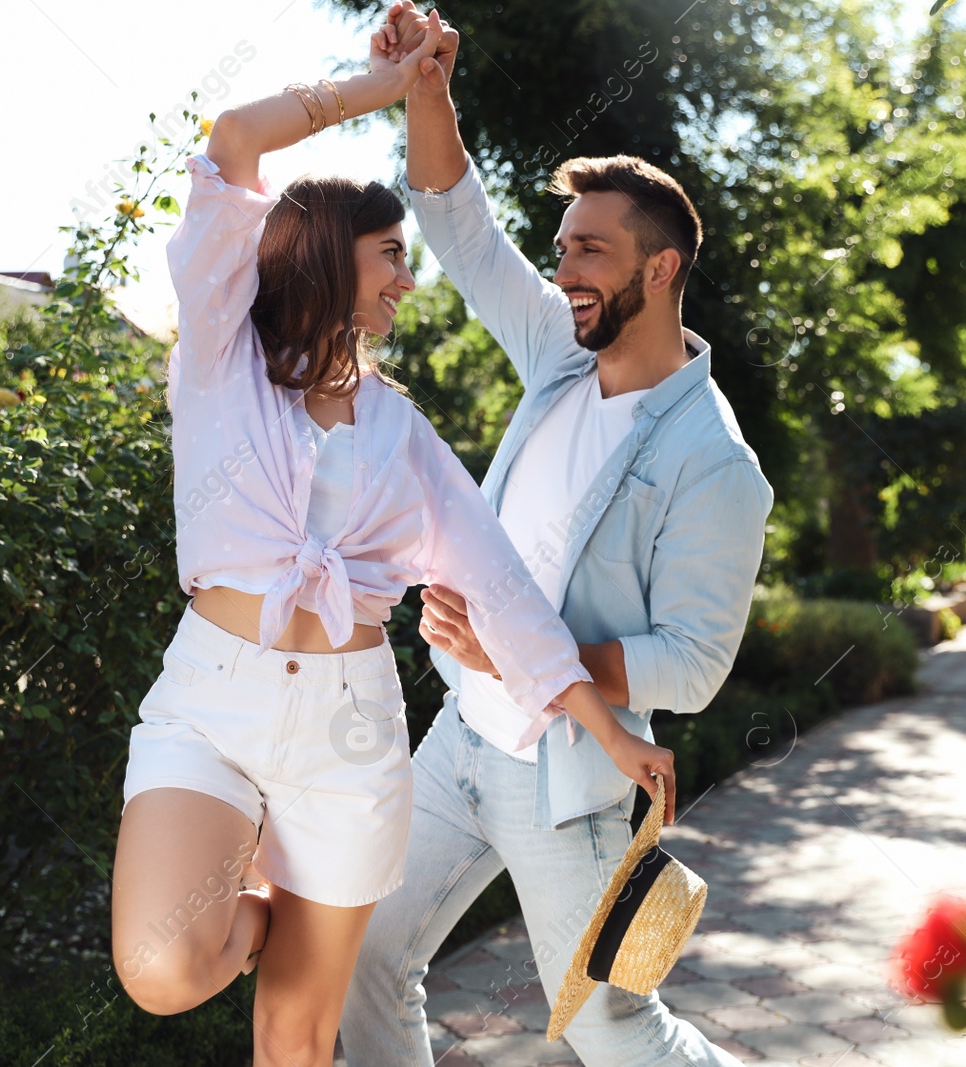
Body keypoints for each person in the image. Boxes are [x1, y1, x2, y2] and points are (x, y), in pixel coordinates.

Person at [108, 13, 675, 1067]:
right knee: (162, 963)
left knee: (295, 1035)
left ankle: (312, 906)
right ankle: (282, 904)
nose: (406, 281)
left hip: (350, 740)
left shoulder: (400, 433)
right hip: (214, 704)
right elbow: (233, 137)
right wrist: (381, 87)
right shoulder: (221, 351)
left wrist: (606, 728)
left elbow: (500, 588)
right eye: (388, 258)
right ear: (330, 258)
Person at [339, 5, 773, 1066]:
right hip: (461, 740)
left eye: (590, 250)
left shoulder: (715, 461)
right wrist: (428, 85)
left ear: (660, 268)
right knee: (361, 951)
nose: (565, 268)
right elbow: (459, 228)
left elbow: (697, 662)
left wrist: (526, 655)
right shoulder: (561, 361)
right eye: (563, 248)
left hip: (564, 779)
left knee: (614, 1027)